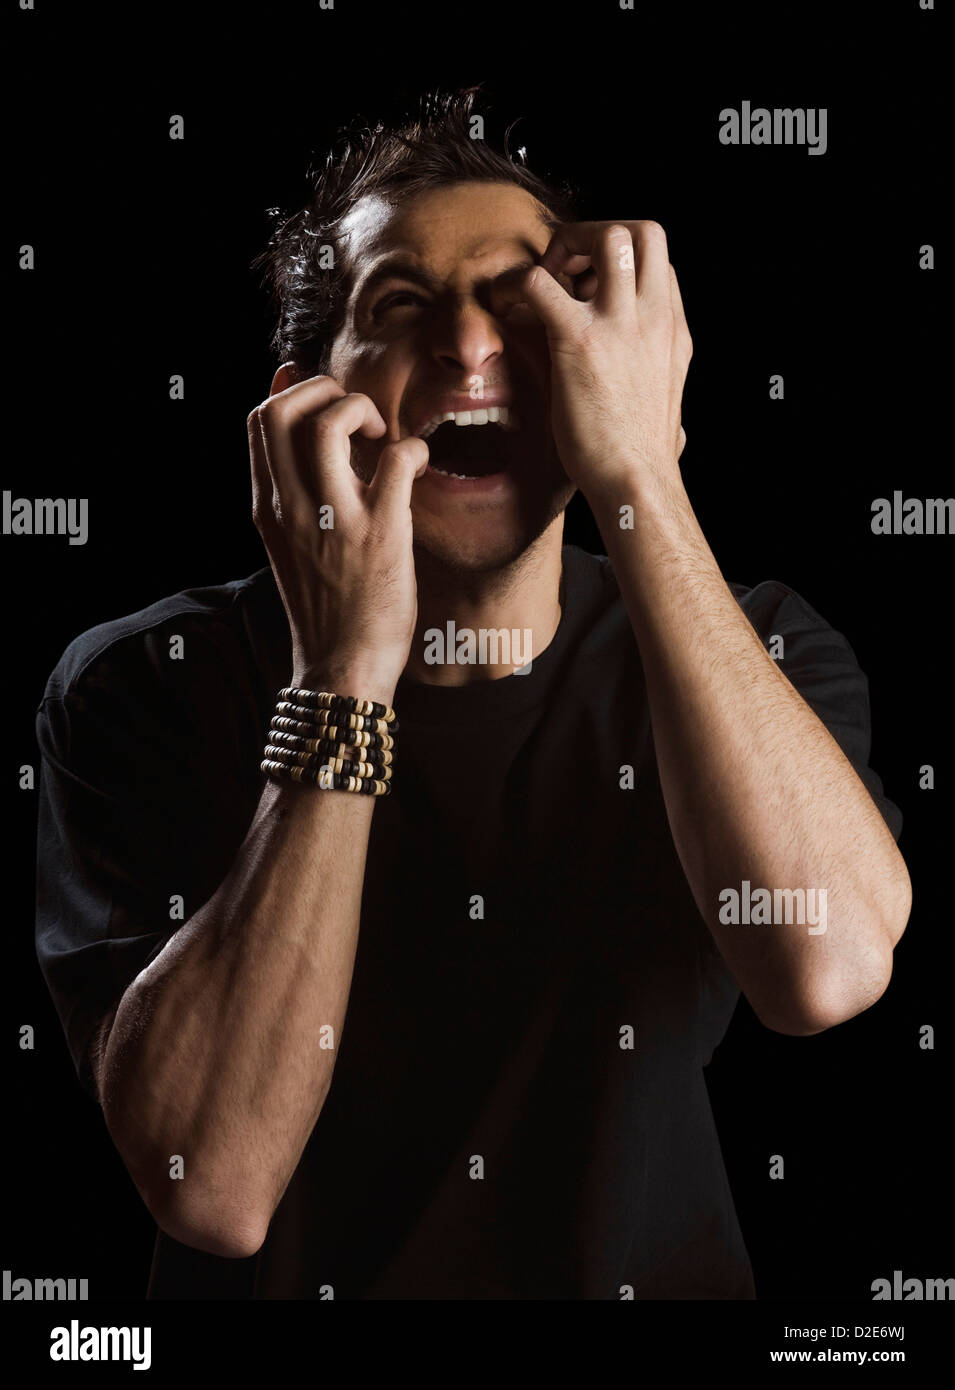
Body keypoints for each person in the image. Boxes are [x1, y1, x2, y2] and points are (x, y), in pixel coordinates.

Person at [34, 88, 910, 1300]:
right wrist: (345, 670)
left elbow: (825, 968)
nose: (468, 348)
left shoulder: (753, 641)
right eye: (401, 305)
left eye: (517, 303)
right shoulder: (140, 683)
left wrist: (642, 480)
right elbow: (211, 1182)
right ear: (305, 400)